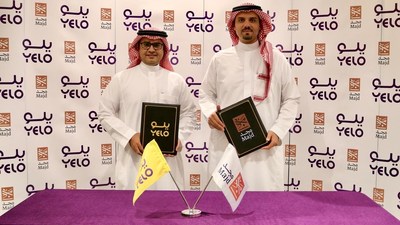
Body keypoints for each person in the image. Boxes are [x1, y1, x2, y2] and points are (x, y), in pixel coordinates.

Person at [199, 3, 300, 191]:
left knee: (264, 206)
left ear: (261, 24)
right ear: (233, 25)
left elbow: (291, 98)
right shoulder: (220, 59)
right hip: (227, 144)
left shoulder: (276, 58)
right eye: (241, 20)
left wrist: (278, 131)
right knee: (223, 205)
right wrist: (210, 112)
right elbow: (205, 93)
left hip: (264, 146)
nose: (247, 24)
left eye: (252, 20)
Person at [99, 28, 196, 190]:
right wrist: (129, 136)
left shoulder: (176, 81)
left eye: (157, 45)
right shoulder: (121, 79)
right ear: (137, 48)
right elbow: (105, 112)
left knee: (168, 209)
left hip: (167, 161)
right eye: (146, 44)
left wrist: (177, 138)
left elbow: (189, 114)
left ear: (164, 49)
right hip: (133, 162)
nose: (151, 49)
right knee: (133, 211)